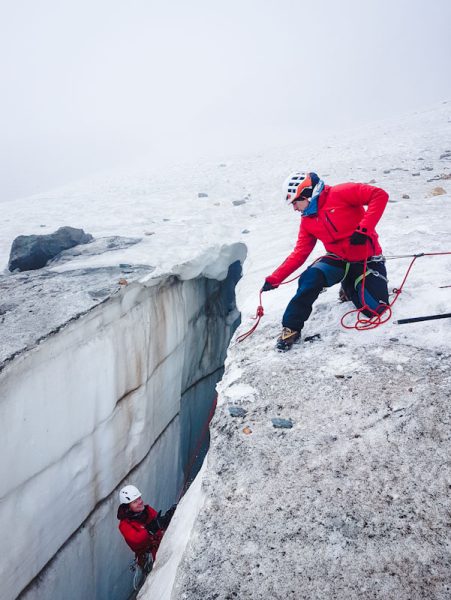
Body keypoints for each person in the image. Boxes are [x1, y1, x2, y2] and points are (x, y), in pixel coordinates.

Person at [262, 171, 390, 351]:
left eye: (295, 202)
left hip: (367, 260)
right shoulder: (307, 221)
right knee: (310, 278)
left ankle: (349, 285)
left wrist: (363, 230)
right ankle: (291, 327)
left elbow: (379, 195)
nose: (295, 208)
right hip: (337, 260)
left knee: (375, 310)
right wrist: (274, 279)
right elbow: (299, 253)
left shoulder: (341, 193)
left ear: (306, 194)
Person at [117, 484, 176, 567]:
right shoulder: (124, 525)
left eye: (139, 498)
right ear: (128, 507)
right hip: (148, 557)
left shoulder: (147, 510)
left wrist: (167, 518)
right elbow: (137, 540)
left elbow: (157, 524)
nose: (140, 502)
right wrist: (151, 529)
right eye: (135, 502)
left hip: (160, 545)